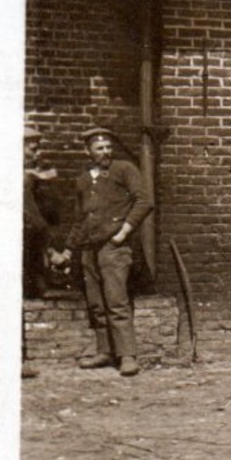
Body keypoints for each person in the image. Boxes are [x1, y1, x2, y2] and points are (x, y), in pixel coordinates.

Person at [71, 125, 153, 377]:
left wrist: (124, 232)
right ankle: (105, 351)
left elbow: (144, 201)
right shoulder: (84, 178)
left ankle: (127, 356)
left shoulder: (124, 169)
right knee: (96, 302)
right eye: (99, 148)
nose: (105, 152)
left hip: (114, 247)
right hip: (90, 247)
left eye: (108, 147)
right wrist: (69, 247)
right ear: (88, 151)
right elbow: (79, 216)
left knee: (117, 300)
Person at [22, 125, 57, 378]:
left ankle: (21, 357)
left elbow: (45, 216)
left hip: (32, 244)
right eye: (29, 145)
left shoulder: (35, 176)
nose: (34, 151)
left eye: (35, 145)